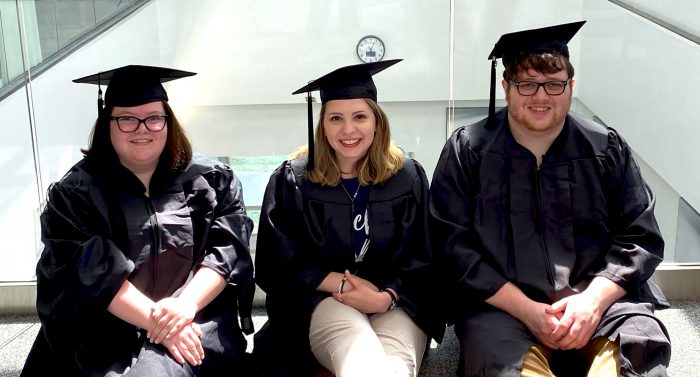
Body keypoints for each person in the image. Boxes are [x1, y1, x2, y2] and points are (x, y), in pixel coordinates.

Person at [429, 21, 671, 377]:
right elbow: (453, 247)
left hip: (599, 303)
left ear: (571, 86)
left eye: (554, 84)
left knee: (637, 351)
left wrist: (591, 303)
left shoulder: (605, 148)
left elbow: (640, 236)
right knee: (502, 365)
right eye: (526, 84)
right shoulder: (469, 151)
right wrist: (528, 310)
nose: (541, 96)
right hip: (502, 309)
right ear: (506, 87)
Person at [21, 65, 255, 376]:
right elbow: (88, 272)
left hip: (194, 316)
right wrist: (159, 322)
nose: (142, 128)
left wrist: (183, 308)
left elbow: (228, 251)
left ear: (167, 122)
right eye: (127, 119)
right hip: (106, 328)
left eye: (154, 118)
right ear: (108, 123)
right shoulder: (77, 192)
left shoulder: (211, 180)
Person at [253, 60, 444, 377]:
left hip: (396, 300)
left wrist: (384, 298)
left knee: (396, 366)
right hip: (323, 298)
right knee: (360, 358)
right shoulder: (294, 179)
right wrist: (342, 284)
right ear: (322, 125)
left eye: (359, 116)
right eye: (336, 118)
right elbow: (277, 265)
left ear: (376, 122)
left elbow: (423, 256)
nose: (348, 129)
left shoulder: (407, 176)